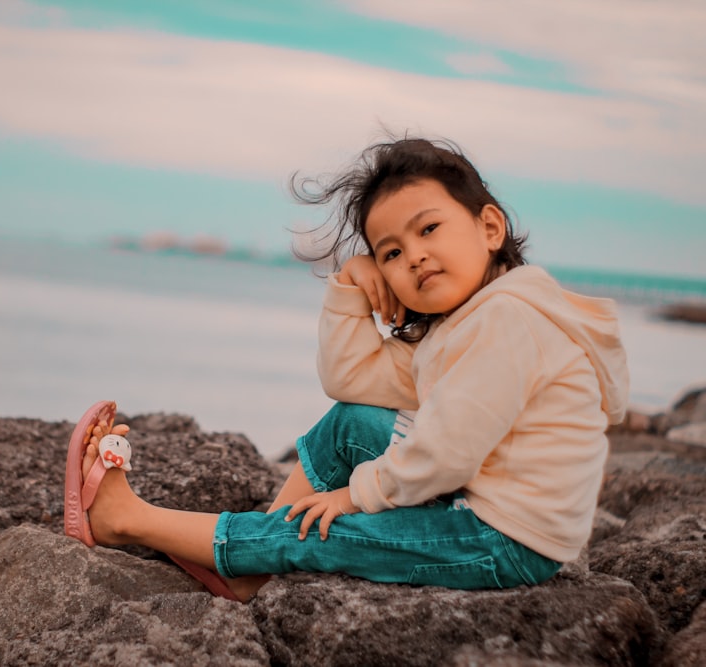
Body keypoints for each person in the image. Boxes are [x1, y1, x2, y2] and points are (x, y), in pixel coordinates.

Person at [64, 135, 629, 603]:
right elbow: (352, 382)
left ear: (489, 227)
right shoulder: (467, 323)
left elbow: (447, 452)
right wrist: (352, 284)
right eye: (390, 251)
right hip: (481, 502)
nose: (414, 256)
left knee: (326, 529)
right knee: (352, 422)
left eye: (428, 229)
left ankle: (125, 521)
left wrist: (354, 495)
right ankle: (251, 571)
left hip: (505, 538)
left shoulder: (506, 320)